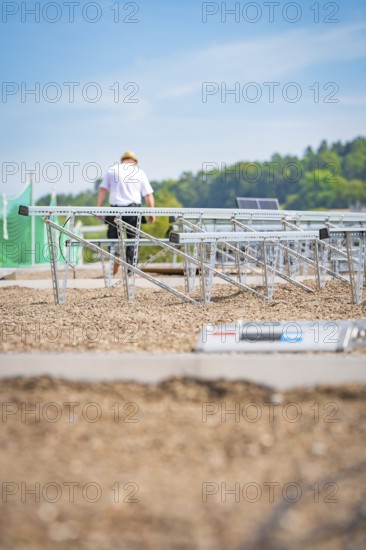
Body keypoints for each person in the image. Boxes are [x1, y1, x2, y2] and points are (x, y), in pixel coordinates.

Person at [97, 151, 155, 273]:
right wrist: (151, 212)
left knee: (113, 237)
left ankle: (116, 256)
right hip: (133, 210)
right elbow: (148, 195)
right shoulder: (139, 172)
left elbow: (102, 190)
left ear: (122, 160)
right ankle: (130, 268)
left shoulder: (112, 170)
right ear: (134, 161)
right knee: (133, 239)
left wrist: (99, 208)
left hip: (115, 209)